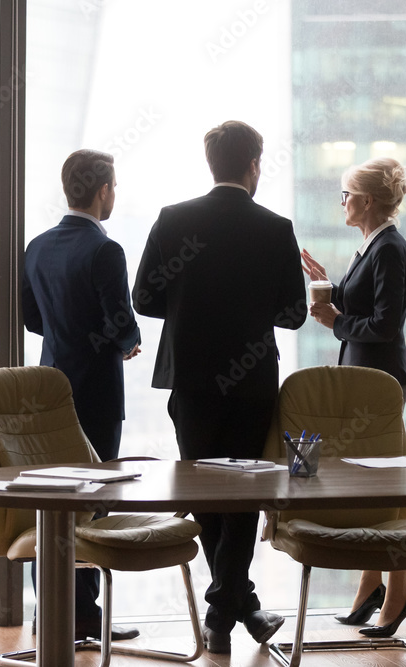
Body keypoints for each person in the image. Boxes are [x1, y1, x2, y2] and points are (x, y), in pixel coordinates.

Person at [131, 120, 305, 654]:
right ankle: (235, 603)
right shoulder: (275, 228)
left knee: (205, 494)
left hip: (191, 376)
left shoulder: (172, 219)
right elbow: (295, 314)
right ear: (255, 165)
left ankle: (222, 609)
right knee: (244, 493)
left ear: (212, 164)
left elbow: (143, 299)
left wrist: (188, 306)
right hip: (252, 379)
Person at [22, 148, 142, 641]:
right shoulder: (104, 249)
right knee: (92, 506)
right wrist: (128, 343)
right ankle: (87, 617)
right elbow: (122, 325)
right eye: (114, 187)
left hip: (50, 391)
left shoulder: (37, 247)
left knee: (52, 504)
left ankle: (48, 613)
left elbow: (33, 320)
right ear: (102, 191)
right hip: (95, 395)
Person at [300, 157, 406, 637]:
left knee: (382, 491)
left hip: (381, 382)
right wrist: (332, 289)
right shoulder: (370, 246)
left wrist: (335, 322)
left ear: (367, 201)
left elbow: (387, 325)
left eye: (346, 194)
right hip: (366, 377)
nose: (342, 202)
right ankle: (373, 586)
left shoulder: (389, 248)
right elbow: (365, 307)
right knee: (371, 488)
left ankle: (396, 592)